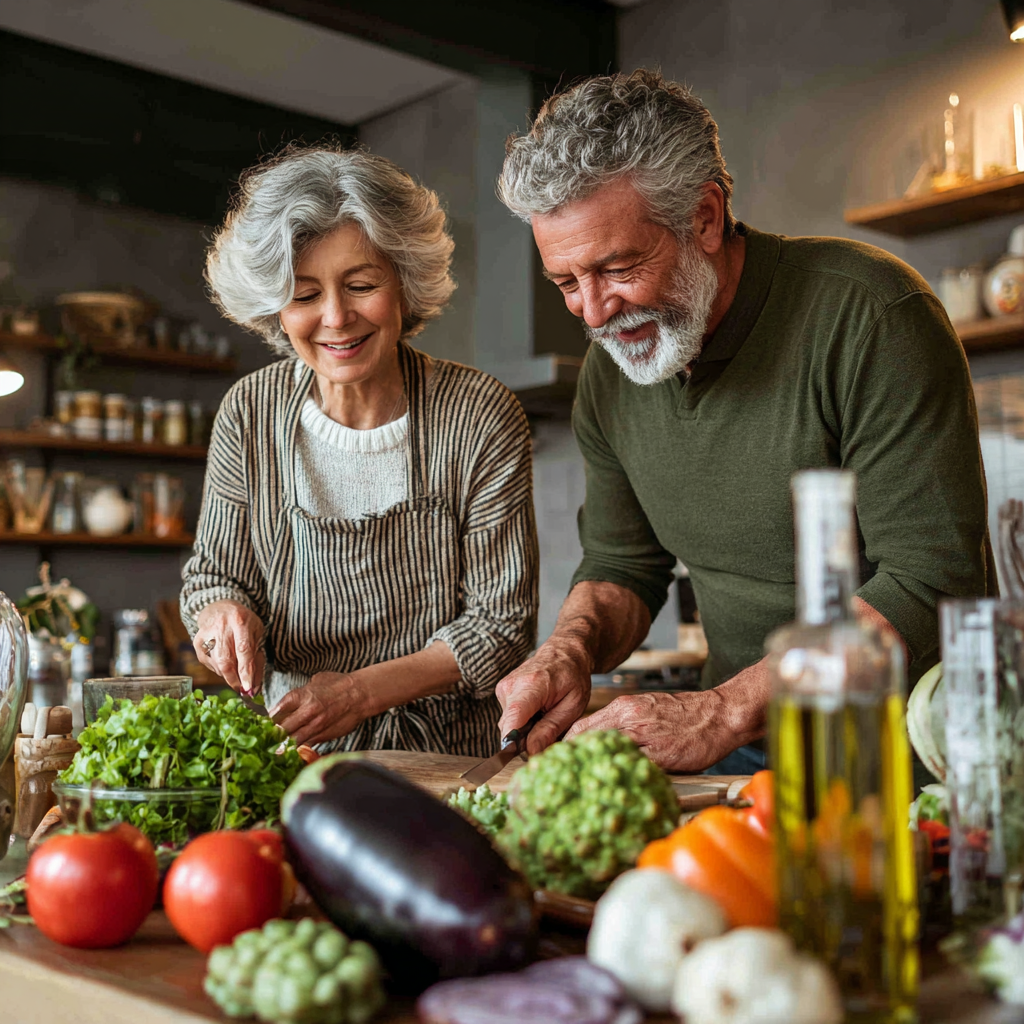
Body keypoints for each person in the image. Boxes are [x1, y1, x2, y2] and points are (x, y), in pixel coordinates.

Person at [493, 69, 990, 773]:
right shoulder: (610, 376)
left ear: (704, 215)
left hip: (911, 755)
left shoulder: (872, 314)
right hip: (740, 756)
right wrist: (569, 649)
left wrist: (722, 710)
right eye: (568, 283)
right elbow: (622, 565)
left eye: (617, 268)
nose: (594, 313)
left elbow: (929, 581)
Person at [180, 145, 538, 756]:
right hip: (296, 750)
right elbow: (217, 575)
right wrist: (220, 617)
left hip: (447, 758)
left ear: (405, 282)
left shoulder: (478, 412)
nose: (336, 318)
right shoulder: (250, 412)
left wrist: (359, 693)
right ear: (276, 308)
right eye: (304, 294)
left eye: (362, 284)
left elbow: (500, 626)